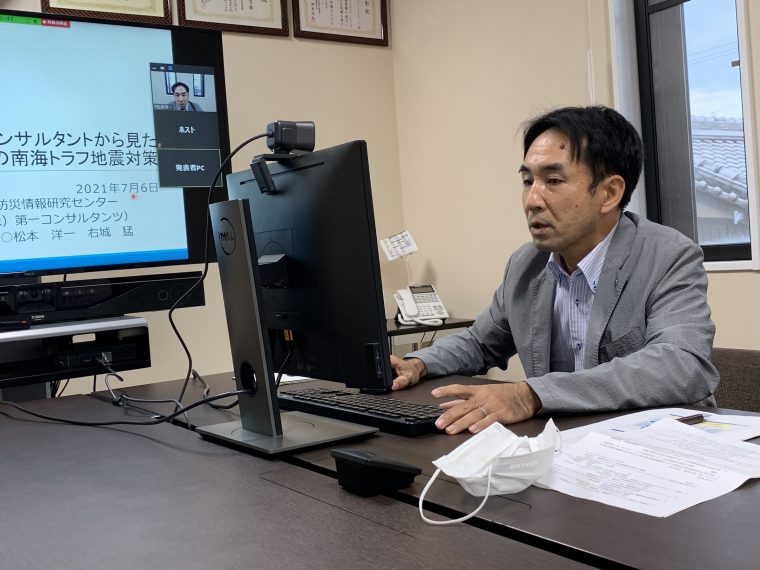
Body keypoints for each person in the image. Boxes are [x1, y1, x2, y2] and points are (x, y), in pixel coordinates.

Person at [390, 105, 718, 435]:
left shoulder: (667, 256)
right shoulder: (525, 264)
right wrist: (418, 364)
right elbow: (480, 343)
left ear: (609, 193)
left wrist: (531, 394)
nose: (532, 200)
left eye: (553, 181)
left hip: (660, 443)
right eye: (527, 180)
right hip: (565, 442)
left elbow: (681, 365)